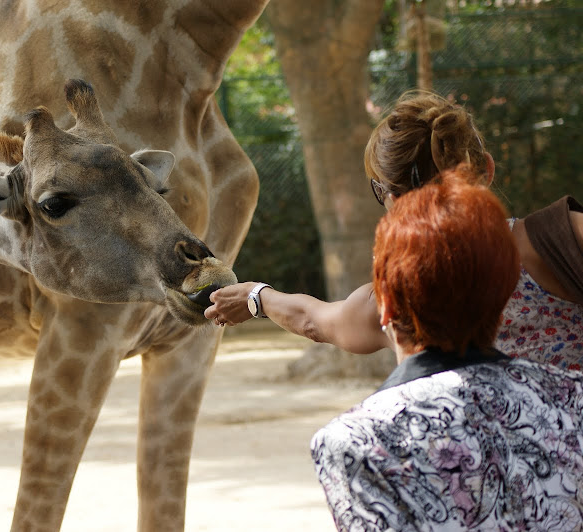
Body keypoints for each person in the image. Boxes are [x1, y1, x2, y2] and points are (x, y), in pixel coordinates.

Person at [205, 91, 583, 365]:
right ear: (485, 170)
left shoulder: (397, 298)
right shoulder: (560, 240)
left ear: (388, 196)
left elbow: (314, 320)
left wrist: (257, 297)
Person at [312, 167, 583, 531]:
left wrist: (257, 298)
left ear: (386, 306)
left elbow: (313, 318)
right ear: (502, 296)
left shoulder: (357, 443)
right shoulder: (573, 399)